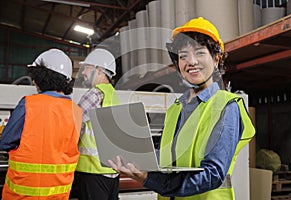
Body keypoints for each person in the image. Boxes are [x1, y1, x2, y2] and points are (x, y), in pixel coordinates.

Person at [108, 17, 256, 200]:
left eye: (200, 53)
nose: (191, 61)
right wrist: (133, 156)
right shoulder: (176, 108)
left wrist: (150, 180)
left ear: (216, 59)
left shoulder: (226, 106)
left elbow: (213, 175)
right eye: (183, 55)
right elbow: (168, 158)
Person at [0, 48, 82, 199]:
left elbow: (5, 143)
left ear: (40, 78)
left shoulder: (28, 104)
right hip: (58, 195)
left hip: (22, 195)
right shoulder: (76, 111)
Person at [75, 48, 120, 200]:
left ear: (99, 70)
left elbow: (73, 127)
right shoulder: (112, 94)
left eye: (87, 67)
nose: (83, 72)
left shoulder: (94, 94)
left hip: (92, 171)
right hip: (111, 172)